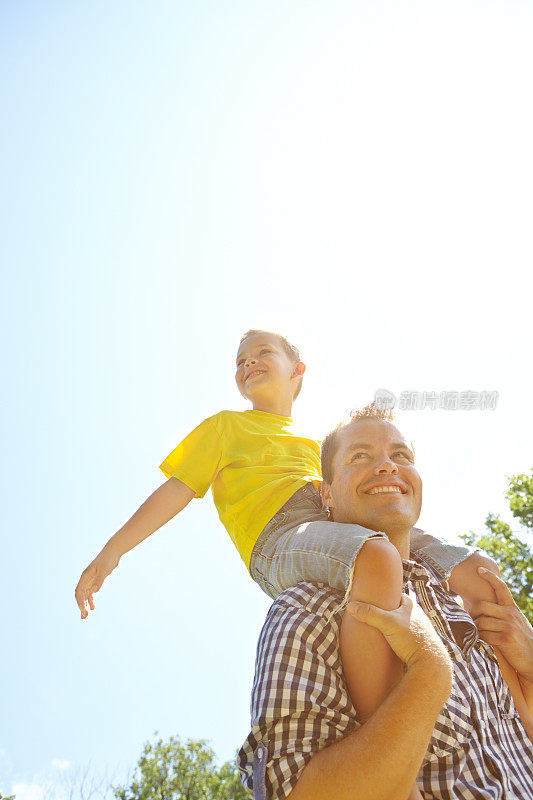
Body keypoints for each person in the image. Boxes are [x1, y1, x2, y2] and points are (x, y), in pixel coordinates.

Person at [75, 330, 482, 796]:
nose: (248, 363)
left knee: (475, 568)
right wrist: (113, 551)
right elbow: (176, 489)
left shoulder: (315, 446)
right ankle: (391, 764)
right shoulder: (225, 427)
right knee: (375, 555)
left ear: (297, 371)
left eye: (262, 353)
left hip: (336, 517)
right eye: (240, 360)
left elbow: (352, 497)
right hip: (282, 533)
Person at [238, 404, 533, 799]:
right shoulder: (309, 608)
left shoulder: (467, 612)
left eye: (401, 456)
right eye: (360, 456)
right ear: (327, 495)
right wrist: (429, 672)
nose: (386, 466)